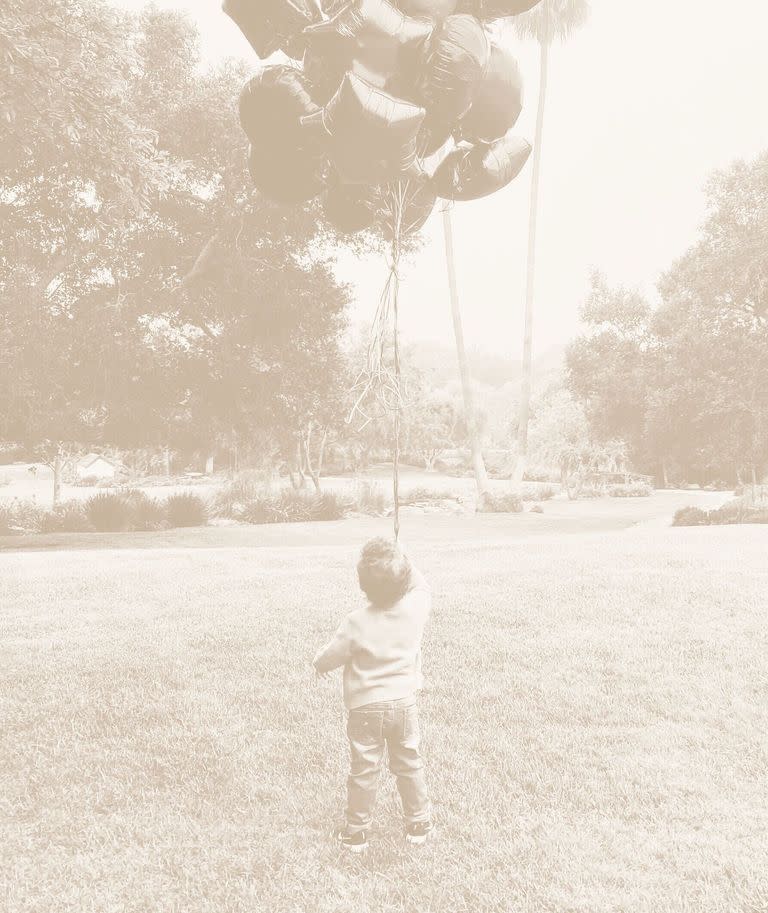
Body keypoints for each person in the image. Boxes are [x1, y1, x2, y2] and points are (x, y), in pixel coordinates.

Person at [313, 536, 433, 853]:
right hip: (404, 703)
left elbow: (332, 656)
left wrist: (318, 664)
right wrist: (402, 556)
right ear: (404, 579)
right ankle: (418, 823)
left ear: (363, 587)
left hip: (365, 708)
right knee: (408, 761)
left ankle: (357, 832)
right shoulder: (414, 609)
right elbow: (420, 583)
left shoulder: (356, 622)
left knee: (364, 768)